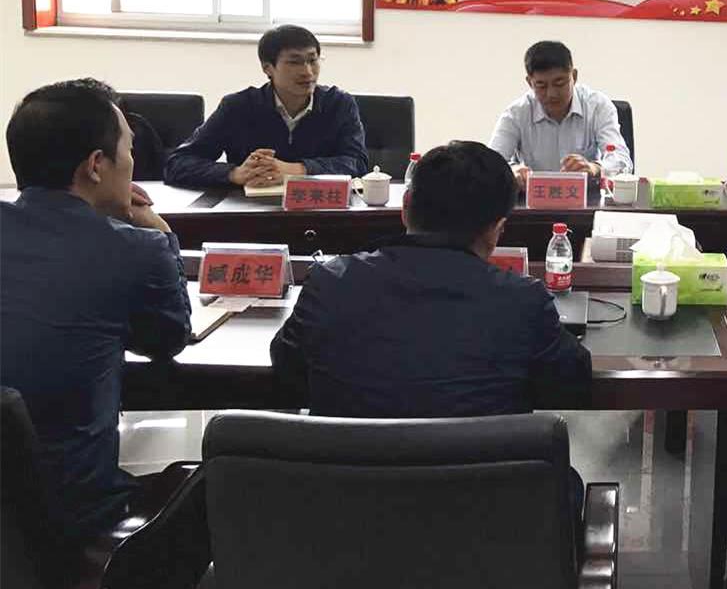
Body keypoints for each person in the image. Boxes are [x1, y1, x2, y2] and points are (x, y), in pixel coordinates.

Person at [270, 140, 592, 418]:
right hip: (482, 472)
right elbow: (571, 384)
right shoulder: (523, 302)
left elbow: (287, 366)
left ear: (405, 207)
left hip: (345, 471)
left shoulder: (331, 284)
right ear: (497, 230)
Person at [1, 79, 192, 545]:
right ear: (95, 165)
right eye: (128, 150)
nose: (132, 164)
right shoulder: (135, 249)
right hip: (65, 515)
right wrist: (160, 233)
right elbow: (167, 340)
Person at [163, 25, 369, 188]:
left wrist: (295, 170)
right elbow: (178, 163)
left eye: (312, 60)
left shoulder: (339, 104)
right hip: (252, 211)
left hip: (320, 211)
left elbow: (357, 163)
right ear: (268, 68)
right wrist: (234, 173)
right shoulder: (238, 107)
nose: (307, 72)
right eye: (294, 62)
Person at [488, 40, 633, 188]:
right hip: (532, 199)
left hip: (586, 199)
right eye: (541, 86)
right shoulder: (517, 113)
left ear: (574, 76)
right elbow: (490, 166)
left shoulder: (597, 106)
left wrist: (594, 168)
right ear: (530, 83)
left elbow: (621, 160)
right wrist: (512, 171)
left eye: (559, 83)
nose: (551, 94)